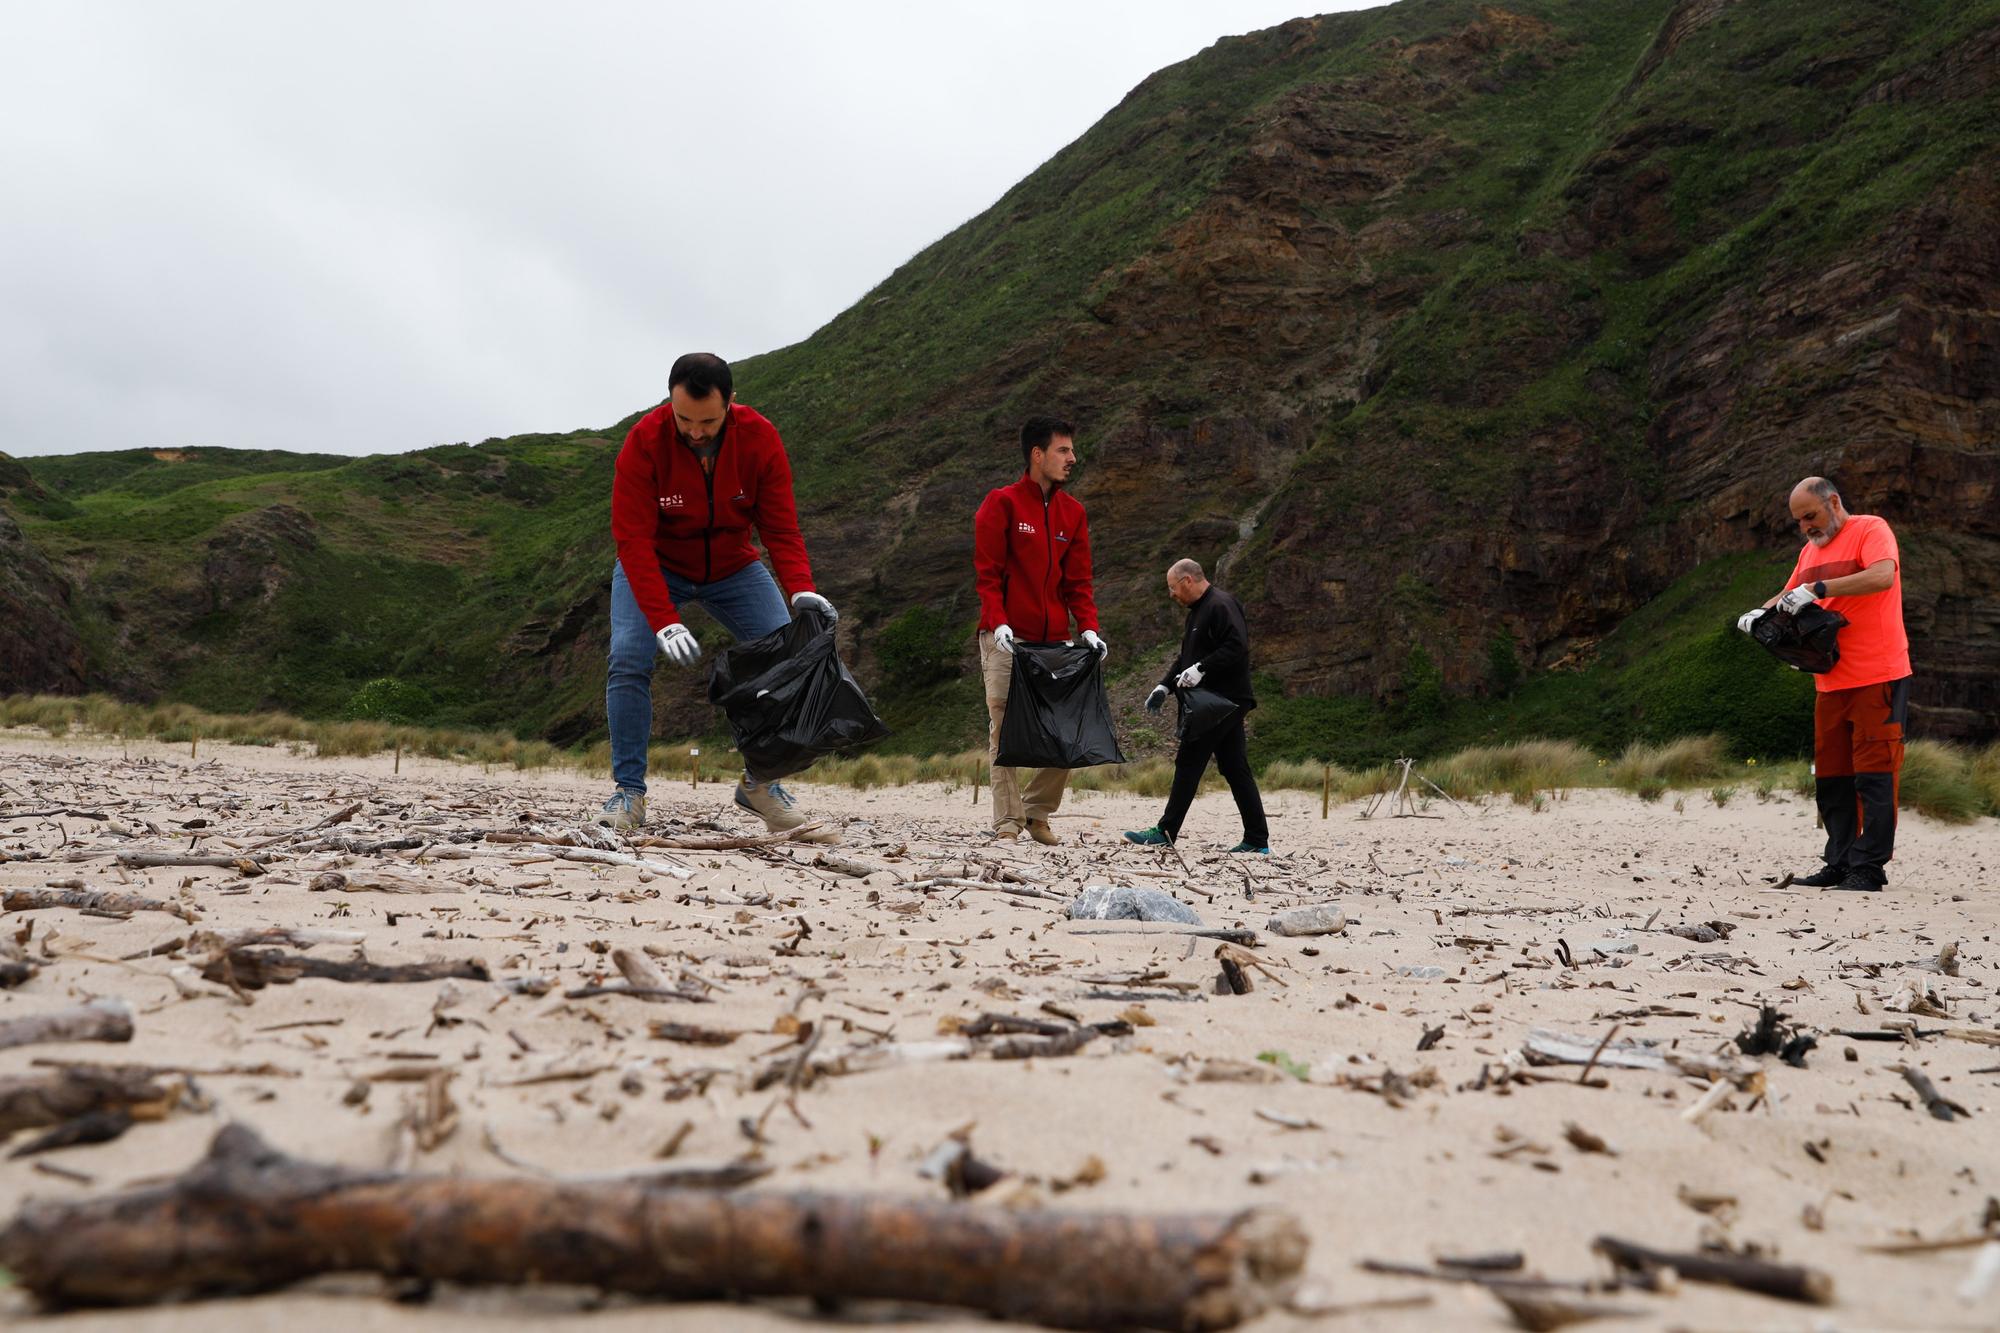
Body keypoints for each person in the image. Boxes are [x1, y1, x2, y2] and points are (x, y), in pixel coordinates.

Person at [597, 352, 839, 842]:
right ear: (670, 402)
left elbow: (780, 526)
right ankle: (628, 792)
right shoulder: (643, 442)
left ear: (731, 402)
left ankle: (760, 785)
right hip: (655, 563)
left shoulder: (760, 438)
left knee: (789, 658)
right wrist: (663, 619)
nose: (695, 431)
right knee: (627, 658)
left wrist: (800, 589)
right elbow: (633, 541)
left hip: (733, 564)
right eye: (683, 418)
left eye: (707, 421)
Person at [1736, 476, 1910, 891]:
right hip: (1829, 679)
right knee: (1832, 776)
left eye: (1810, 516)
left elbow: (1882, 576)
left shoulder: (1870, 529)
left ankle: (1869, 867)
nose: (1806, 527)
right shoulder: (1808, 551)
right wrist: (1758, 615)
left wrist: (1819, 589)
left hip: (1878, 673)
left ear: (1833, 502)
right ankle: (1840, 860)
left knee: (1876, 773)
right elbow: (1788, 592)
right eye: (1799, 521)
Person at [972, 416, 1105, 844]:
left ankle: (1036, 812)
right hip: (1005, 638)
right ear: (1038, 454)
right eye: (1063, 450)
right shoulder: (1002, 503)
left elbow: (1078, 583)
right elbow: (987, 576)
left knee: (1065, 730)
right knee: (1004, 731)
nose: (1072, 458)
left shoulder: (1073, 512)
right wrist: (999, 623)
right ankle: (1007, 823)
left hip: (1055, 643)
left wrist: (1088, 628)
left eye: (1071, 450)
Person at [1124, 559, 1269, 854]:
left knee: (1189, 761)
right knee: (1234, 766)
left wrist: (1202, 668)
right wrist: (1164, 686)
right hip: (1219, 702)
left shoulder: (1220, 605)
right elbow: (1185, 658)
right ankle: (1256, 839)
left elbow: (1237, 646)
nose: (1172, 594)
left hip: (1221, 702)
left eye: (1173, 588)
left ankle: (1165, 832)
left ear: (1188, 580)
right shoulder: (1197, 613)